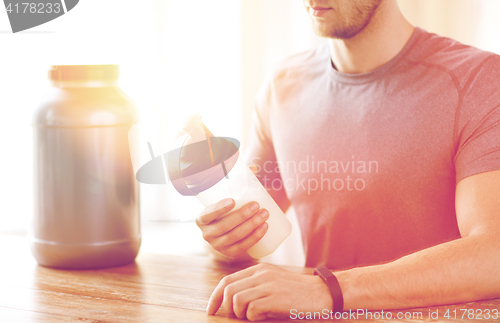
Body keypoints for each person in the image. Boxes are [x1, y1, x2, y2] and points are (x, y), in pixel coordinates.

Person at [195, 0, 500, 320]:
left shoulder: (480, 81)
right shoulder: (282, 85)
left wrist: (328, 290)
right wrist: (224, 239)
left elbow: (493, 252)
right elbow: (249, 231)